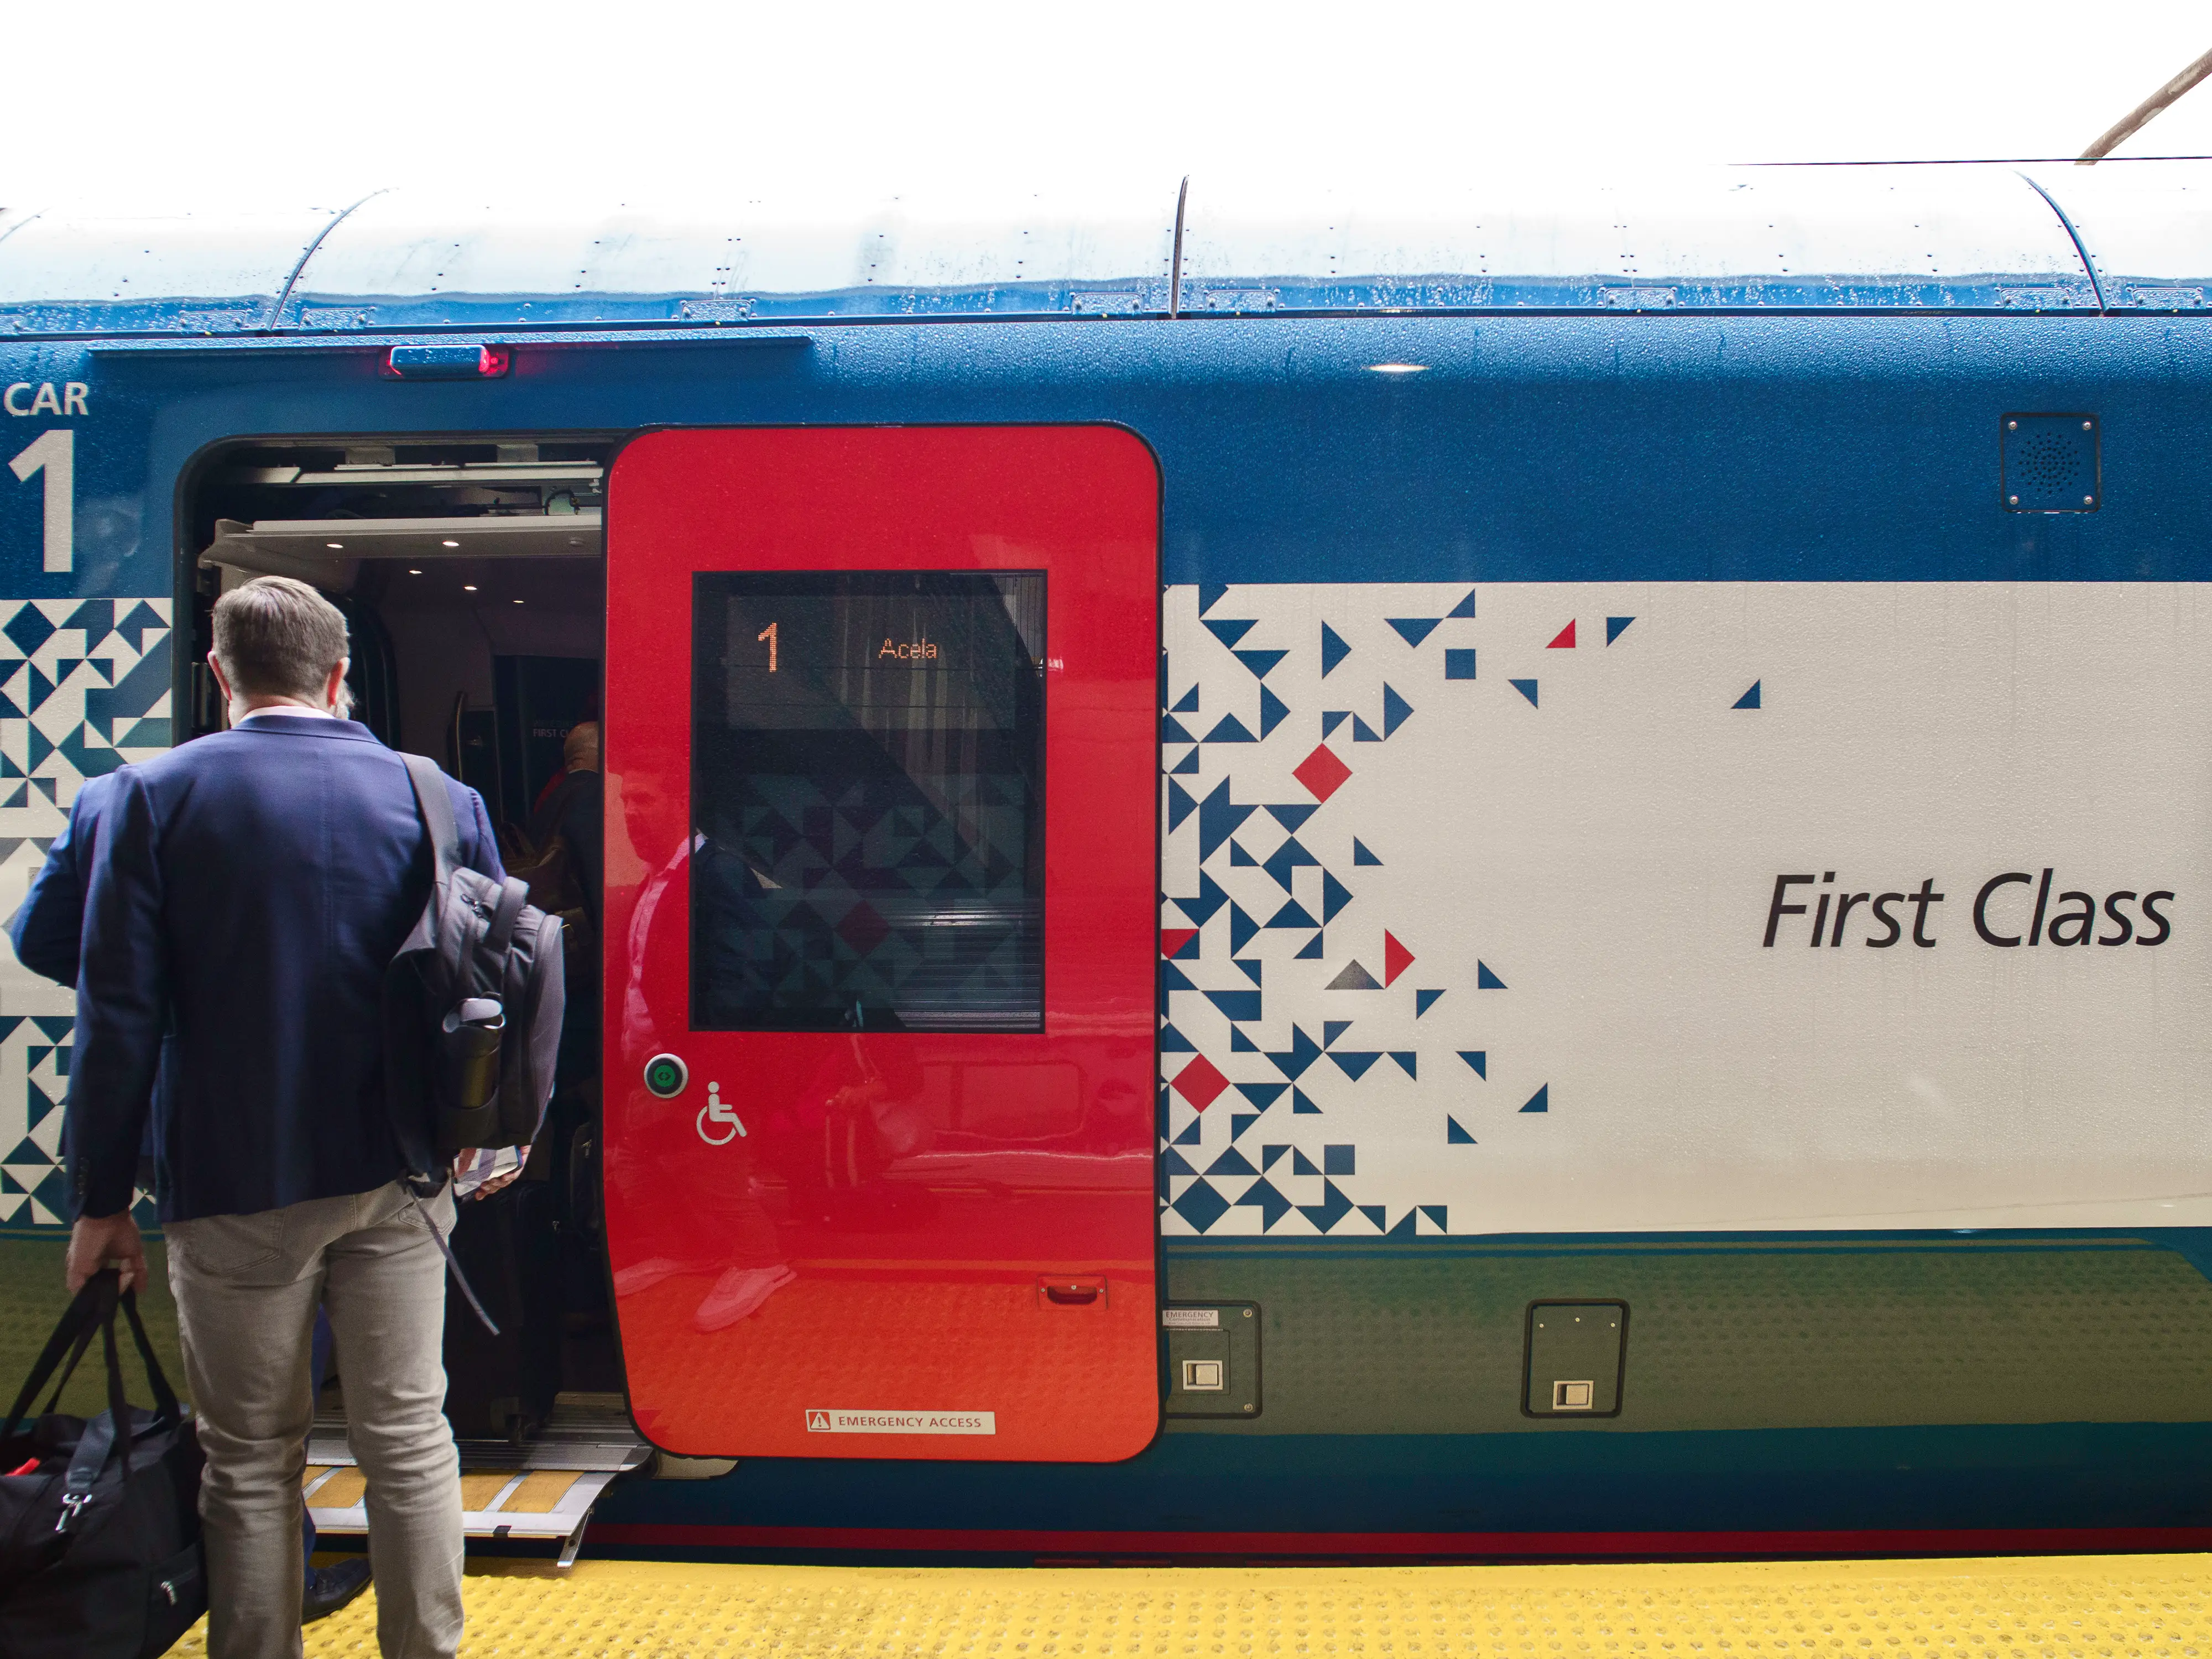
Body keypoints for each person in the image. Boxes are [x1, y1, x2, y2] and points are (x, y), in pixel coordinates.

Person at [64, 575, 504, 1659]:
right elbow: (495, 984)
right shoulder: (437, 796)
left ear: (220, 673)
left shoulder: (149, 796)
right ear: (338, 674)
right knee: (408, 1434)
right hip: (400, 1174)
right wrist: (490, 1130)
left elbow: (116, 1015)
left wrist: (99, 1201)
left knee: (251, 1455)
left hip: (232, 1178)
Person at [11, 766, 374, 1624]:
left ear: (219, 670)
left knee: (250, 1412)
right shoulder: (401, 797)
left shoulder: (127, 800)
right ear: (335, 680)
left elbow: (43, 941)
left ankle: (269, 1582)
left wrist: (177, 989)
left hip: (204, 1141)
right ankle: (274, 1574)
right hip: (351, 1148)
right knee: (309, 1395)